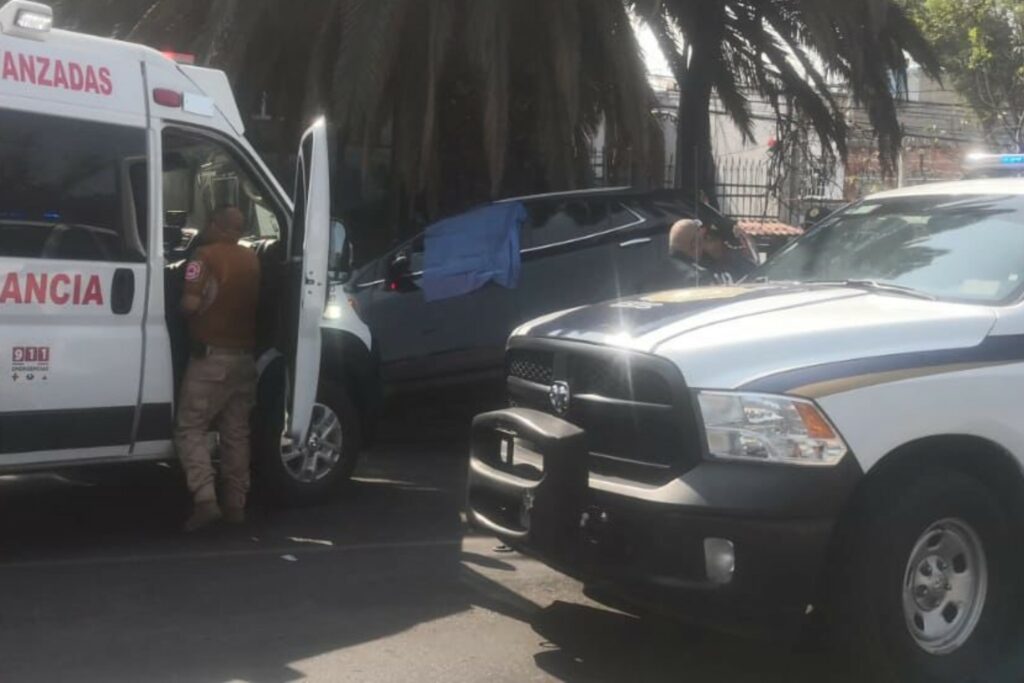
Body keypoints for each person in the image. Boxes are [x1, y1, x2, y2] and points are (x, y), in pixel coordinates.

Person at [174, 206, 261, 532]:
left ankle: (205, 499)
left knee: (190, 427)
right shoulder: (252, 258)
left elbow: (191, 304)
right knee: (236, 433)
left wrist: (179, 315)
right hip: (244, 358)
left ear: (214, 225)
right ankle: (236, 505)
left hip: (210, 360)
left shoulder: (203, 257)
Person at [666, 218, 756, 286]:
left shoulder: (742, 269)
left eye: (708, 239)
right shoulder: (699, 275)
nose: (703, 246)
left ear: (725, 244)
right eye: (700, 240)